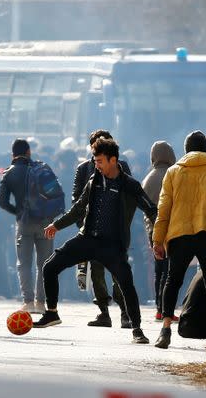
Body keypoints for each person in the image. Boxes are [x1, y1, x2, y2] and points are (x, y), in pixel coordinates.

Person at [35, 138, 156, 345]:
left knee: (126, 283)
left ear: (113, 160)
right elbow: (78, 210)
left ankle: (137, 329)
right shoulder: (93, 181)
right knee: (49, 267)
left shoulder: (130, 185)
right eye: (95, 160)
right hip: (87, 239)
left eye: (100, 161)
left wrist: (159, 235)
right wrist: (56, 225)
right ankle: (52, 313)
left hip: (113, 246)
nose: (96, 165)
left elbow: (151, 210)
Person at [152, 130, 206, 351]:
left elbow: (164, 208)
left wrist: (157, 239)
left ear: (186, 150)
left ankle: (165, 329)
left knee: (173, 280)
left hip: (179, 233)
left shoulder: (173, 172)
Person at [72, 130, 132, 329]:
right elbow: (76, 201)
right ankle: (104, 312)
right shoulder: (83, 169)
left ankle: (125, 313)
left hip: (115, 231)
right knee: (96, 272)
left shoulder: (121, 167)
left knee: (118, 272)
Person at [0, 138, 53, 314]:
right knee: (44, 263)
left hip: (24, 223)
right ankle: (41, 303)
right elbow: (55, 194)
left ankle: (28, 302)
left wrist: (19, 213)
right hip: (45, 222)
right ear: (29, 152)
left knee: (23, 263)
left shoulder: (9, 173)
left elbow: (2, 202)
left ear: (12, 154)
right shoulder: (43, 168)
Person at [140, 140, 177, 321]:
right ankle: (165, 309)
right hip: (169, 228)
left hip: (152, 229)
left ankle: (159, 308)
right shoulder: (172, 175)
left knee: (158, 269)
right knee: (169, 270)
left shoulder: (148, 177)